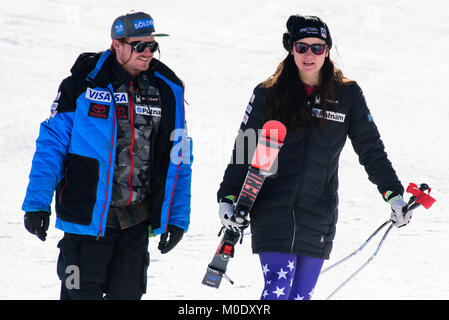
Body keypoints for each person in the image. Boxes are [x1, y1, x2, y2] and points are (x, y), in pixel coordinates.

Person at [217, 15, 411, 300]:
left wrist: (394, 195)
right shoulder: (267, 94)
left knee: (301, 296)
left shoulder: (348, 95)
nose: (310, 54)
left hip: (318, 214)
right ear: (291, 48)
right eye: (302, 47)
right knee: (276, 292)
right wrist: (228, 198)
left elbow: (371, 151)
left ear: (328, 50)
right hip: (272, 210)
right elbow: (244, 149)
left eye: (317, 47)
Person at [22, 11, 193, 300]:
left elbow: (181, 157)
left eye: (152, 45)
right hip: (86, 222)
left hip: (135, 224)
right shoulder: (81, 85)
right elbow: (51, 145)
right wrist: (37, 204)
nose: (148, 53)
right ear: (117, 45)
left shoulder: (166, 89)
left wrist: (176, 218)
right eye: (140, 46)